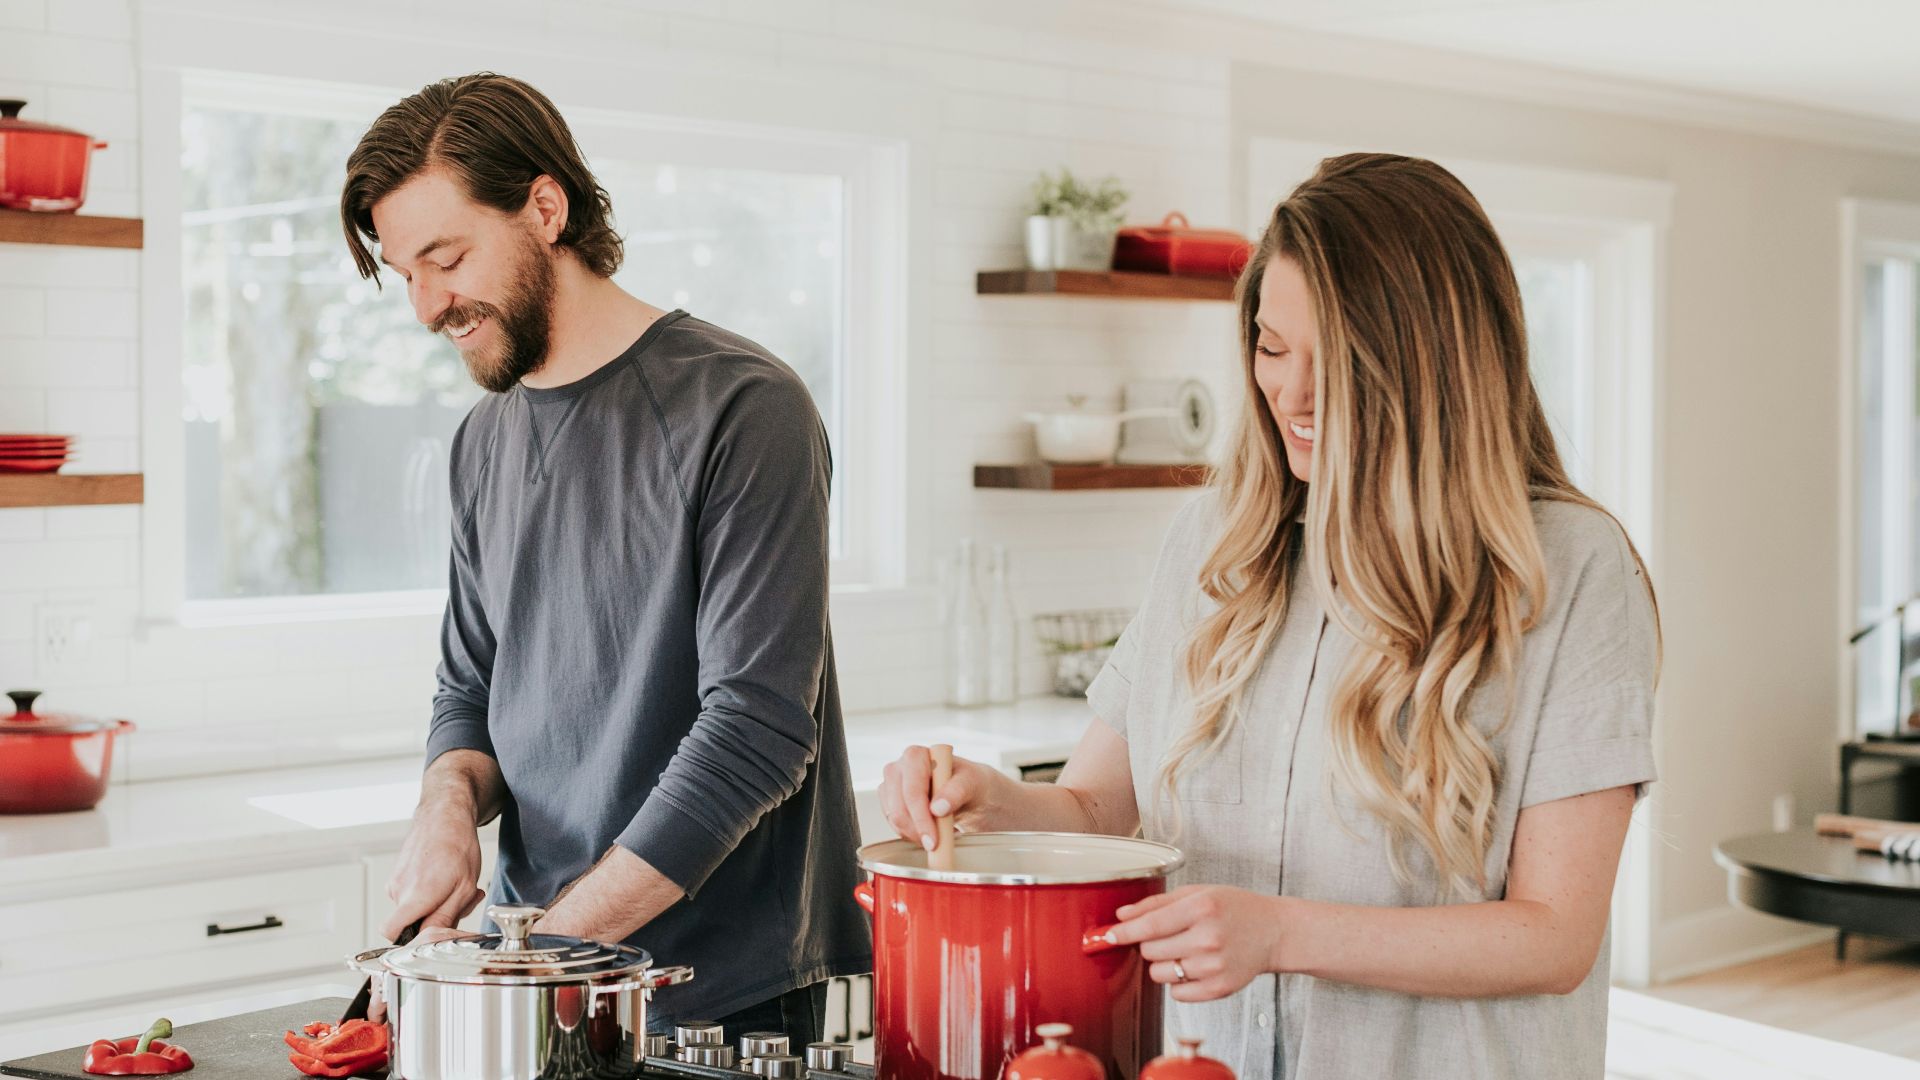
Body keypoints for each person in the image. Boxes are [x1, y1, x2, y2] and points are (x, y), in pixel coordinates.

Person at [879, 153, 1660, 1079]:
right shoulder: (1215, 541)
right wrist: (989, 803)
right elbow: (1095, 806)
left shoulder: (1568, 570)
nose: (1289, 394)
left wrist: (1281, 933)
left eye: (1339, 358)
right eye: (1271, 345)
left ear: (1435, 365)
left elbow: (1553, 935)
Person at [340, 72, 871, 1039]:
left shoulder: (745, 409)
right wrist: (446, 810)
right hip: (535, 973)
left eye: (445, 257)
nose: (426, 307)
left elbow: (756, 732)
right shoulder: (482, 439)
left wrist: (541, 959)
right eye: (404, 273)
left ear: (546, 207)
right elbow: (471, 691)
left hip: (725, 1002)